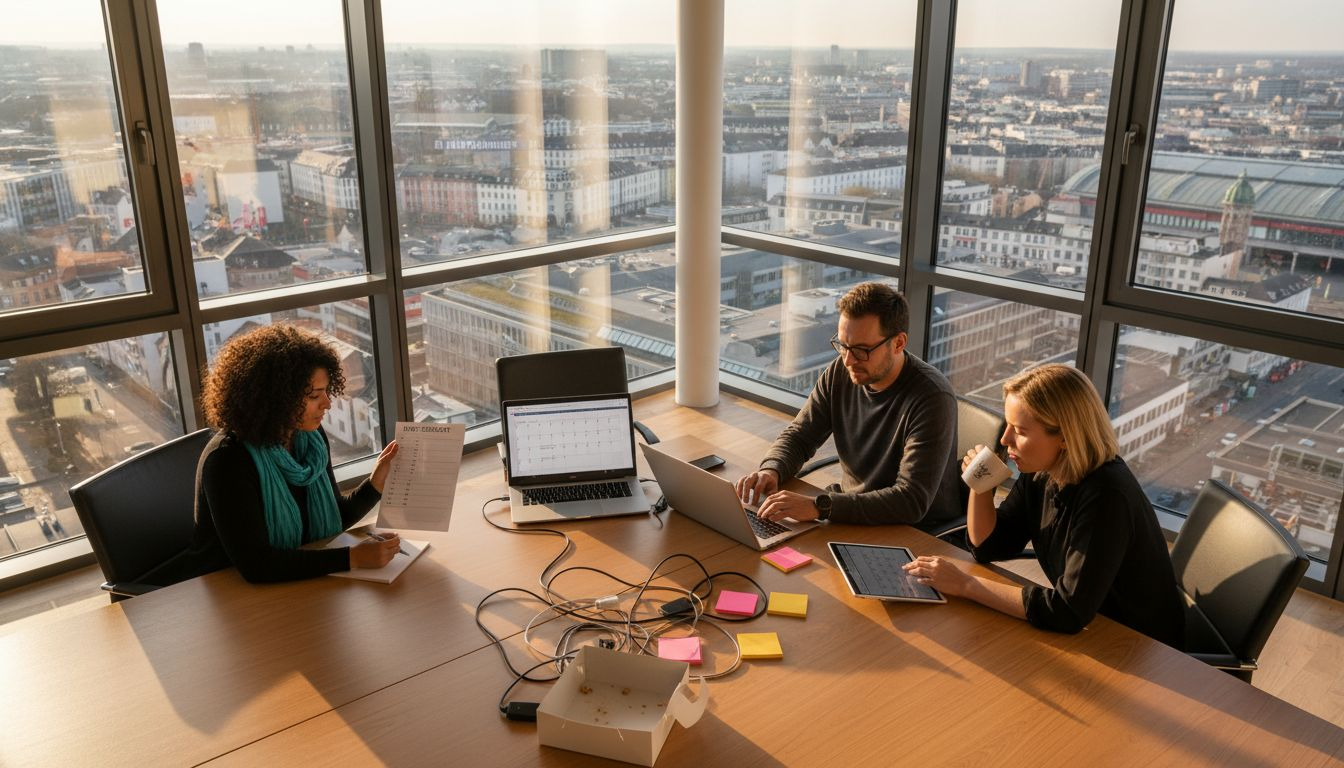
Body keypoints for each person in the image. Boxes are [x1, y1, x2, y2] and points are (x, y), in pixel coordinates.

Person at [903, 364, 1185, 648]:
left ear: (1064, 437)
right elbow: (989, 546)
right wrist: (981, 487)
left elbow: (1067, 611)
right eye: (1007, 425)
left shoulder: (1107, 496)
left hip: (1145, 649)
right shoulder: (1042, 473)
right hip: (1097, 632)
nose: (1005, 439)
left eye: (1020, 430)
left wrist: (966, 585)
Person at [147, 326, 401, 585]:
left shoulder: (309, 438)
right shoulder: (229, 461)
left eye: (326, 391)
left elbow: (333, 519)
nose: (327, 403)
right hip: (225, 592)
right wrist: (353, 558)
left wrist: (375, 484)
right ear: (276, 398)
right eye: (314, 395)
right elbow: (258, 565)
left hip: (292, 584)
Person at [735, 282, 962, 532]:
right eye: (843, 345)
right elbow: (801, 436)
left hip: (913, 531)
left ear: (898, 343)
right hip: (850, 514)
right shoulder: (841, 371)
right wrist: (772, 469)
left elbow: (910, 500)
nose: (848, 360)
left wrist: (821, 507)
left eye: (862, 350)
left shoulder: (932, 397)